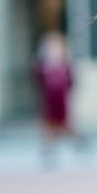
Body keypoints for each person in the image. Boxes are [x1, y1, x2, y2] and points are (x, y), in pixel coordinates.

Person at [32, 30, 79, 163]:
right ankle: (48, 149)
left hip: (60, 99)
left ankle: (78, 142)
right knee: (48, 125)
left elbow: (71, 82)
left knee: (63, 125)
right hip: (49, 99)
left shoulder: (65, 66)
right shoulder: (44, 66)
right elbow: (39, 81)